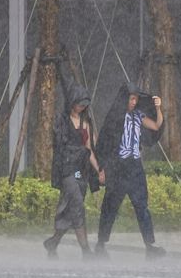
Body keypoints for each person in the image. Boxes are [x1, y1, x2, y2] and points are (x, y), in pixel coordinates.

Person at [94, 82, 166, 259]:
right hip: (117, 167)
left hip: (135, 167)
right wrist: (101, 169)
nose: (133, 102)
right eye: (131, 98)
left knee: (142, 206)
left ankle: (150, 245)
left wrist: (158, 109)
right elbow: (103, 144)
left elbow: (156, 126)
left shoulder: (138, 116)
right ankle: (101, 244)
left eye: (135, 99)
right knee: (110, 206)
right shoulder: (114, 118)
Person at [43, 82, 104, 260]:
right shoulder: (62, 122)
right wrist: (77, 153)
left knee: (70, 210)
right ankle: (86, 251)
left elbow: (89, 149)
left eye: (85, 104)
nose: (82, 106)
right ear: (72, 102)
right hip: (68, 170)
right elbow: (61, 148)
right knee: (77, 205)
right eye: (79, 103)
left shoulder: (87, 123)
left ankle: (53, 242)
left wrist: (99, 169)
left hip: (81, 171)